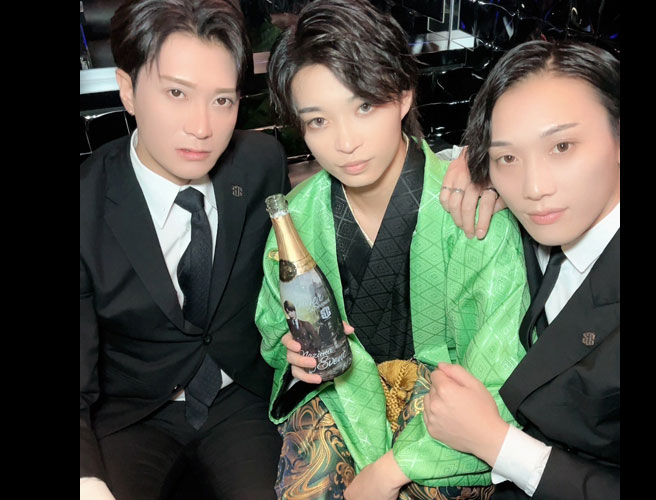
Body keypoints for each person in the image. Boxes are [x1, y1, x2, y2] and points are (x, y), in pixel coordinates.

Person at [254, 1, 529, 499]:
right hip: (340, 400)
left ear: (403, 94)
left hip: (446, 416)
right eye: (318, 121)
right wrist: (292, 354)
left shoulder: (470, 209)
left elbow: (500, 365)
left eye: (364, 106)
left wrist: (391, 470)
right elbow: (274, 335)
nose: (345, 142)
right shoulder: (296, 220)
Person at [79, 1, 290, 499]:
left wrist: (463, 177)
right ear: (128, 89)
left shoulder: (260, 163)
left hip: (241, 396)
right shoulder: (86, 203)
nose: (202, 127)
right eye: (177, 93)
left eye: (222, 100)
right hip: (134, 412)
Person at [424, 39, 620, 499]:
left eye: (562, 146)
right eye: (509, 158)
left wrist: (495, 443)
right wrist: (474, 166)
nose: (534, 188)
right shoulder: (530, 219)